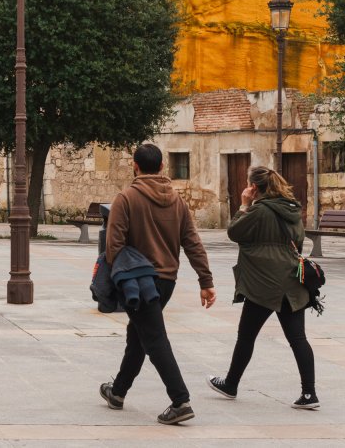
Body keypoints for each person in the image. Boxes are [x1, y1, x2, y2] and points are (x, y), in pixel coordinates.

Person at [99, 144, 215, 425]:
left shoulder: (126, 198)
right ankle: (118, 391)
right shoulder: (178, 200)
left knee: (153, 338)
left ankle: (180, 401)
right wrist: (205, 280)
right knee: (137, 334)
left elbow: (113, 246)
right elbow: (192, 242)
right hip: (166, 282)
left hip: (138, 283)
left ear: (135, 166)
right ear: (163, 166)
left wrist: (118, 275)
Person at [207, 165, 319, 410]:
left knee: (246, 336)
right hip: (291, 281)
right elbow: (298, 242)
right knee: (298, 338)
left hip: (264, 285)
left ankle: (231, 384)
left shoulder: (260, 210)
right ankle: (309, 394)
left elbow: (234, 232)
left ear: (254, 187)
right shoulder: (292, 209)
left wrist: (244, 204)